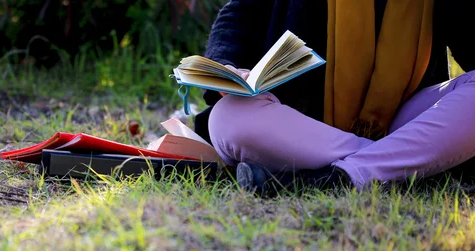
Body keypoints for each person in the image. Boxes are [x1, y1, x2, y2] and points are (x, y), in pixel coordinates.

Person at [194, 0, 475, 195]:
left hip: (400, 118)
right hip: (300, 127)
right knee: (228, 116)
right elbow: (241, 14)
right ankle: (414, 164)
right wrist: (226, 66)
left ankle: (332, 179)